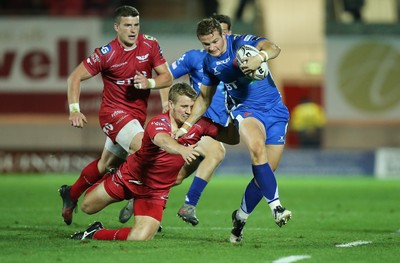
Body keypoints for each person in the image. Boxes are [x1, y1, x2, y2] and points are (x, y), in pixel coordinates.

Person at [174, 18, 292, 243]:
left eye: (215, 41)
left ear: (224, 35)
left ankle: (240, 218)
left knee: (265, 172)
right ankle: (277, 207)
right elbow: (204, 98)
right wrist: (187, 125)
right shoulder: (209, 63)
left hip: (275, 111)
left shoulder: (241, 44)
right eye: (206, 44)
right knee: (257, 149)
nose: (212, 48)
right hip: (245, 109)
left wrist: (260, 57)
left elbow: (273, 48)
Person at [70, 82, 235, 241]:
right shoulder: (158, 122)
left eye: (192, 107)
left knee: (140, 237)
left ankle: (94, 233)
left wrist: (235, 113)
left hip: (155, 192)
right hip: (130, 177)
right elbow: (162, 140)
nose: (188, 111)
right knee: (87, 207)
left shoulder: (199, 124)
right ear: (170, 105)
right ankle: (110, 176)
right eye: (184, 106)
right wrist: (181, 149)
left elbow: (231, 138)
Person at [59, 5, 173, 225]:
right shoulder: (107, 53)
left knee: (104, 165)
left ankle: (70, 194)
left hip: (136, 117)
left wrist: (150, 84)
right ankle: (140, 201)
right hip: (113, 114)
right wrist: (74, 109)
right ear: (116, 27)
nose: (133, 30)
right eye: (127, 25)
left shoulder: (150, 44)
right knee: (145, 148)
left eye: (136, 25)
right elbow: (74, 77)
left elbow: (166, 77)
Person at [118, 14, 233, 226]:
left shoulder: (235, 63)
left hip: (216, 127)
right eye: (217, 34)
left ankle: (140, 195)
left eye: (224, 33)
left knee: (177, 177)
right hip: (196, 122)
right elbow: (167, 77)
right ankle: (189, 205)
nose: (219, 39)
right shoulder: (195, 58)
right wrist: (158, 93)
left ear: (229, 34)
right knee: (217, 153)